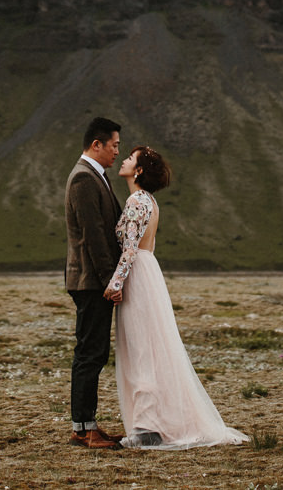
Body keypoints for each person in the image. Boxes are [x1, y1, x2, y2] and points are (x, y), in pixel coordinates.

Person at [107, 146, 248, 450]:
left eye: (130, 158)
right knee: (152, 348)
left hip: (138, 276)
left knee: (142, 349)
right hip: (149, 273)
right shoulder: (151, 202)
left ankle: (147, 427)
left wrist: (115, 284)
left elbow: (130, 249)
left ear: (139, 170)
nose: (124, 161)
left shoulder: (135, 201)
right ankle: (154, 422)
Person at [63, 116, 126, 449]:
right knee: (90, 354)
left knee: (94, 352)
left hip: (93, 281)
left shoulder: (95, 177)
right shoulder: (84, 179)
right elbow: (94, 237)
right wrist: (110, 281)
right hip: (91, 282)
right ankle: (82, 430)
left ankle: (88, 425)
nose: (118, 151)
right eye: (114, 145)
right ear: (96, 144)